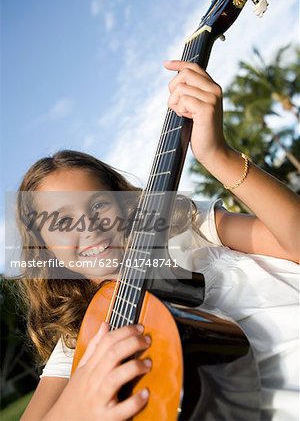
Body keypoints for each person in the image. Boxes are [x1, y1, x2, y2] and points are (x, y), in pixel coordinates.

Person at [15, 61, 299, 421]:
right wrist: (74, 409)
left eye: (100, 204)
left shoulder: (186, 225)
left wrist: (217, 156)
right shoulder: (77, 343)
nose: (88, 226)